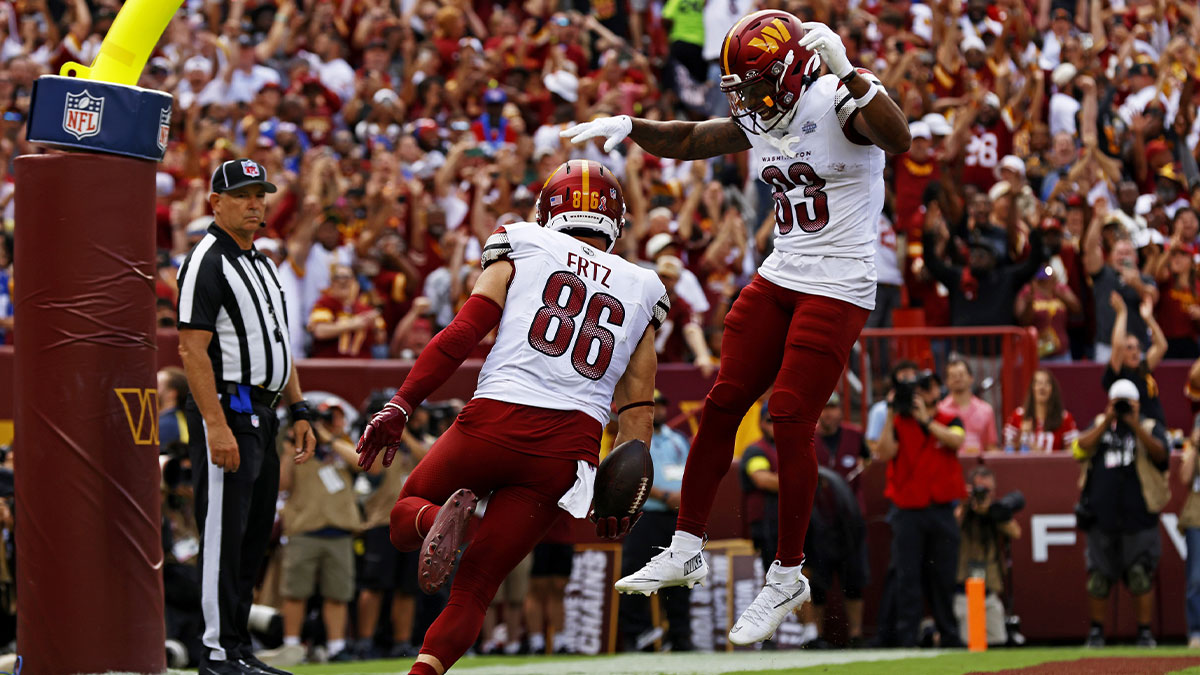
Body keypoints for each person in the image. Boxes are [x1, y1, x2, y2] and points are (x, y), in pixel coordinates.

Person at [563, 10, 911, 644]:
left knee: (789, 414)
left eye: (755, 85)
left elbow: (899, 137)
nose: (747, 99)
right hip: (784, 269)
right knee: (723, 402)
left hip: (839, 280)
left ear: (794, 70)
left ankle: (786, 575)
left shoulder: (838, 99)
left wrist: (853, 74)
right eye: (740, 88)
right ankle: (686, 544)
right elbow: (699, 137)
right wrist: (631, 126)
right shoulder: (763, 109)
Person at [355, 159, 665, 675]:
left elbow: (461, 333)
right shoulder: (642, 285)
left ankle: (436, 522)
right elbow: (638, 408)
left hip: (496, 417)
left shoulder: (523, 240)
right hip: (568, 450)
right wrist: (626, 495)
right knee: (475, 586)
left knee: (401, 518)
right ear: (617, 219)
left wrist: (401, 404)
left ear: (549, 209)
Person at [176, 158, 316, 675]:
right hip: (229, 408)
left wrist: (298, 406)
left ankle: (236, 648)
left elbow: (279, 344)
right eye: (243, 195)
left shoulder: (260, 262)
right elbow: (191, 351)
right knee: (222, 533)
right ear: (216, 203)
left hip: (264, 410)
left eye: (261, 194)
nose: (256, 204)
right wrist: (213, 423)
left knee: (253, 536)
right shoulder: (205, 261)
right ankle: (215, 651)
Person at [1073, 379, 1169, 648]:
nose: (1124, 407)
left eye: (1128, 402)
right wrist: (1108, 419)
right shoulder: (1099, 424)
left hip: (1139, 516)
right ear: (1110, 402)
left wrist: (1135, 423)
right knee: (1098, 578)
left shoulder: (1149, 427)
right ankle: (1095, 632)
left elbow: (1162, 456)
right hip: (1101, 517)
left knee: (1140, 575)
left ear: (1138, 403)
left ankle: (1145, 632)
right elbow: (1078, 449)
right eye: (1119, 402)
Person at [875, 370, 966, 648]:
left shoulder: (950, 419)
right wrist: (891, 413)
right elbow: (884, 452)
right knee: (907, 577)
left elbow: (957, 440)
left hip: (940, 509)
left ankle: (949, 635)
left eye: (925, 389)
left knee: (944, 577)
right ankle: (906, 639)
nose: (921, 394)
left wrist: (926, 420)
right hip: (908, 511)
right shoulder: (899, 423)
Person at [619, 390, 694, 653]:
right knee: (637, 574)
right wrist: (663, 495)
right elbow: (628, 475)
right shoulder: (635, 438)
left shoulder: (678, 440)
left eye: (662, 405)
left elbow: (692, 473)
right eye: (654, 405)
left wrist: (683, 495)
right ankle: (634, 635)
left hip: (676, 517)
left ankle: (680, 636)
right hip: (645, 515)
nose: (659, 410)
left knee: (681, 576)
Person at [954, 466, 1022, 646]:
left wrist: (991, 512)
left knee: (998, 640)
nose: (983, 494)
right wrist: (965, 504)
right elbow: (950, 530)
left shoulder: (996, 511)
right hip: (964, 591)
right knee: (968, 642)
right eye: (979, 490)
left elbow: (1016, 532)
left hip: (989, 591)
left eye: (987, 490)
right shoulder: (962, 510)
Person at [1103, 292, 1168, 425]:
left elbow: (1162, 346)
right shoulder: (1117, 373)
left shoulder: (1143, 368)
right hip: (1134, 429)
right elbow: (1118, 345)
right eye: (1130, 347)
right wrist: (1122, 313)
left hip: (1156, 428)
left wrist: (1148, 318)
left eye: (1138, 347)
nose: (1135, 351)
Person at [1003, 368, 1079, 453]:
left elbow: (1072, 453)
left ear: (1052, 389)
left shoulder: (1065, 418)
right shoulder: (1017, 416)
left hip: (1054, 466)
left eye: (1047, 383)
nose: (1042, 388)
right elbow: (1007, 452)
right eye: (1038, 383)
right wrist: (1021, 436)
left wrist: (1042, 454)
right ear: (1032, 388)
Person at [938, 358, 999, 455]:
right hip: (950, 464)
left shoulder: (985, 410)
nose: (957, 379)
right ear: (947, 382)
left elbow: (991, 446)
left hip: (977, 466)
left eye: (961, 375)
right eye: (953, 376)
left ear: (971, 378)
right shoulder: (940, 410)